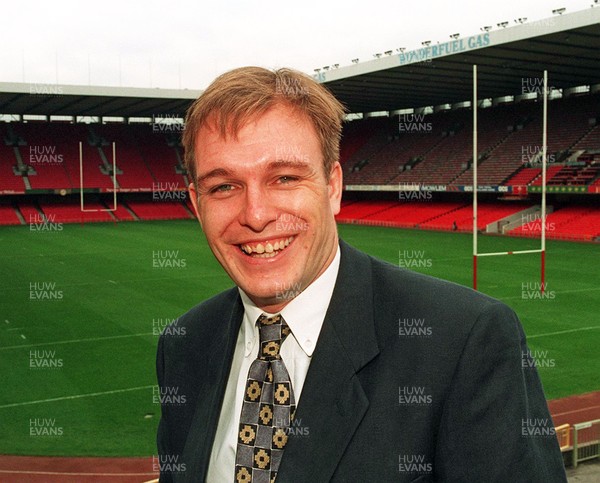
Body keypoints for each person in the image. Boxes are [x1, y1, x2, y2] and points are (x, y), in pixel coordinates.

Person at [156, 66, 567, 482]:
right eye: (224, 187)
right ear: (196, 201)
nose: (256, 215)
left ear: (333, 186)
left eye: (285, 178)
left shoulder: (465, 342)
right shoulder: (184, 345)